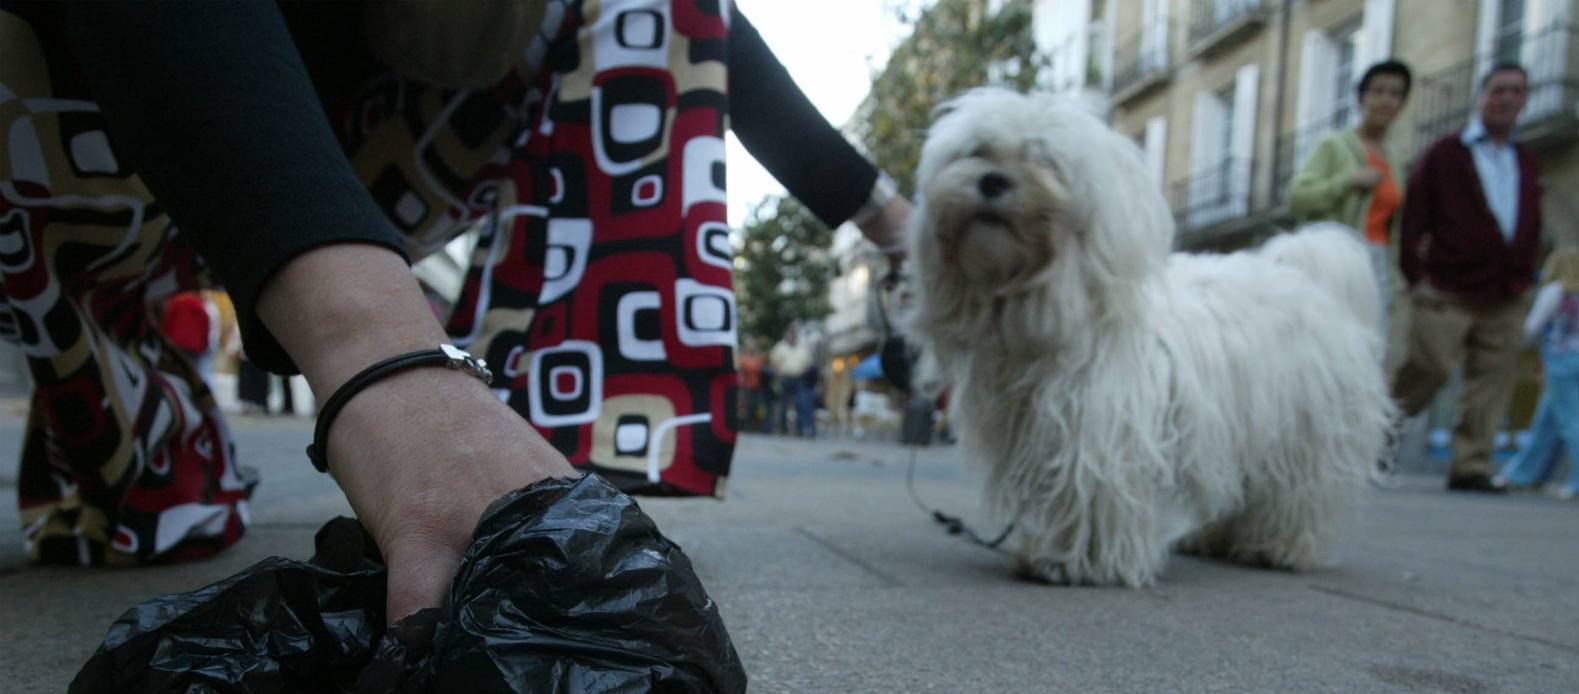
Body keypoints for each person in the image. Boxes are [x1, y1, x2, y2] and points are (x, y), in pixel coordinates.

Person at [0, 1, 910, 622]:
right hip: (70, 145)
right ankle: (110, 362)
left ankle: (555, 456)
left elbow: (719, 44)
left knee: (651, 7)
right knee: (139, 513)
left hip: (366, 134)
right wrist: (378, 356)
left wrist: (894, 221)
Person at [1390, 63, 1542, 493]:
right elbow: (1413, 217)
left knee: (1492, 380)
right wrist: (1415, 277)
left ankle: (1471, 464)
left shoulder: (1526, 159)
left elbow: (1529, 219)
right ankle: (1373, 444)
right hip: (1445, 287)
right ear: (1481, 96)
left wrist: (1526, 275)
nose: (1508, 99)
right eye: (1500, 90)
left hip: (1507, 291)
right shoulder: (1445, 152)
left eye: (1518, 91)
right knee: (1428, 368)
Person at [1287, 59, 1412, 365]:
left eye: (1395, 94)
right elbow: (1297, 197)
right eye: (1377, 91)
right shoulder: (1335, 146)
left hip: (1378, 263)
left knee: (1369, 350)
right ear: (1361, 98)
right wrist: (1346, 182)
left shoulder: (1394, 160)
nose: (1385, 100)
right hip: (1334, 264)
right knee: (1326, 349)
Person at [1497, 248, 1579, 499]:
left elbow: (1533, 327)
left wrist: (1511, 348)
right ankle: (1522, 474)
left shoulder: (1556, 291)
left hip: (1561, 358)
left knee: (1571, 421)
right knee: (1548, 420)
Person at [769, 325, 815, 438]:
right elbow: (773, 362)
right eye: (790, 334)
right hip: (784, 378)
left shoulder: (803, 347)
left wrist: (804, 371)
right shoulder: (780, 347)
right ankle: (783, 428)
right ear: (786, 335)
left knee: (801, 403)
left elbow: (809, 363)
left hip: (799, 378)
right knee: (783, 404)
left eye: (794, 334)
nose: (792, 336)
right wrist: (778, 374)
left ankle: (800, 429)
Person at [737, 337, 770, 435]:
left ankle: (756, 426)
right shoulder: (743, 358)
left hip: (758, 386)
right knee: (748, 407)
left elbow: (763, 368)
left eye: (753, 346)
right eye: (749, 346)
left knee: (757, 407)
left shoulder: (759, 358)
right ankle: (748, 426)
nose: (752, 347)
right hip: (746, 386)